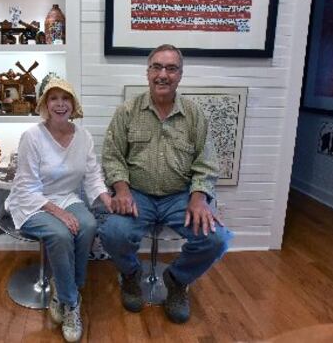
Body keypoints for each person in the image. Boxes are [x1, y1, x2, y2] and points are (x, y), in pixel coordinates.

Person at [99, 44, 233, 323]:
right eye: (157, 67)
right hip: (137, 195)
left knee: (217, 239)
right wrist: (121, 189)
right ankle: (131, 274)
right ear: (147, 73)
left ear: (180, 75)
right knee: (113, 233)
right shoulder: (127, 111)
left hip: (180, 197)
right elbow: (112, 157)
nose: (163, 74)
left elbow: (207, 162)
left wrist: (199, 198)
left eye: (171, 68)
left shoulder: (194, 115)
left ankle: (177, 280)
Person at [5, 78, 111, 342]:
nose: (60, 104)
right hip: (32, 201)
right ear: (45, 104)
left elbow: (92, 176)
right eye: (54, 98)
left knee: (88, 225)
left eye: (66, 98)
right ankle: (71, 302)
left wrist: (107, 198)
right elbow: (27, 185)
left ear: (73, 105)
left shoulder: (83, 137)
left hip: (67, 196)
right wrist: (59, 213)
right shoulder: (32, 137)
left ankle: (64, 288)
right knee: (61, 234)